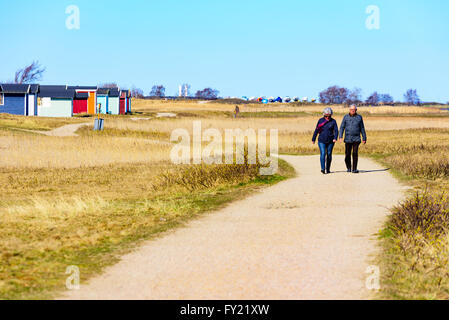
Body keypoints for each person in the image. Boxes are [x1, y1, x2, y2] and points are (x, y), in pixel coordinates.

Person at [339, 105, 367, 173]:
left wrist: (364, 137)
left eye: (354, 109)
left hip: (356, 138)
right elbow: (342, 127)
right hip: (348, 138)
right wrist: (340, 136)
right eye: (351, 109)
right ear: (349, 110)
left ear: (356, 110)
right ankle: (348, 167)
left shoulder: (359, 117)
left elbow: (362, 128)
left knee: (355, 153)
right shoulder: (345, 117)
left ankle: (354, 169)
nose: (353, 111)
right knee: (347, 154)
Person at [312, 108, 339, 174]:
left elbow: (336, 130)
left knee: (329, 154)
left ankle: (328, 168)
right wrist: (313, 139)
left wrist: (335, 138)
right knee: (323, 153)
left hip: (330, 141)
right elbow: (317, 130)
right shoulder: (320, 120)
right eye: (326, 116)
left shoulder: (333, 121)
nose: (327, 117)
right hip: (321, 140)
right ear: (324, 115)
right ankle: (323, 168)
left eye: (329, 116)